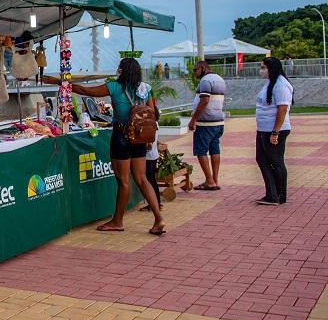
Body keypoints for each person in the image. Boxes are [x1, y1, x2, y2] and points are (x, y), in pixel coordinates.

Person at [43, 59, 165, 235]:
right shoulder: (145, 89)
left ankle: (118, 221)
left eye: (119, 68)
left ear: (122, 71)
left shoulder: (114, 87)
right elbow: (151, 115)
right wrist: (148, 139)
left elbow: (85, 91)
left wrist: (60, 82)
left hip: (122, 137)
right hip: (140, 138)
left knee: (123, 182)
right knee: (142, 178)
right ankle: (159, 219)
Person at [255, 56, 293, 205]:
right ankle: (271, 193)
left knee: (276, 161)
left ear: (272, 68)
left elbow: (282, 109)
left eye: (263, 68)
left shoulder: (281, 85)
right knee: (262, 159)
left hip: (275, 129)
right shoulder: (269, 84)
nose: (261, 71)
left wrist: (275, 132)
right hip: (263, 129)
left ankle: (279, 196)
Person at [187, 60, 226, 191]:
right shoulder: (219, 79)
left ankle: (209, 181)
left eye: (195, 70)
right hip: (218, 122)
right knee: (215, 150)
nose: (194, 73)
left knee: (201, 151)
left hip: (205, 123)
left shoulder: (205, 81)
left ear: (203, 68)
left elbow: (204, 101)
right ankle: (214, 180)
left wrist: (193, 120)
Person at [141, 133, 162, 212]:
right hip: (153, 153)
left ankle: (154, 203)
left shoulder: (149, 123)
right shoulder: (154, 123)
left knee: (150, 180)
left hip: (148, 155)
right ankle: (157, 202)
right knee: (152, 179)